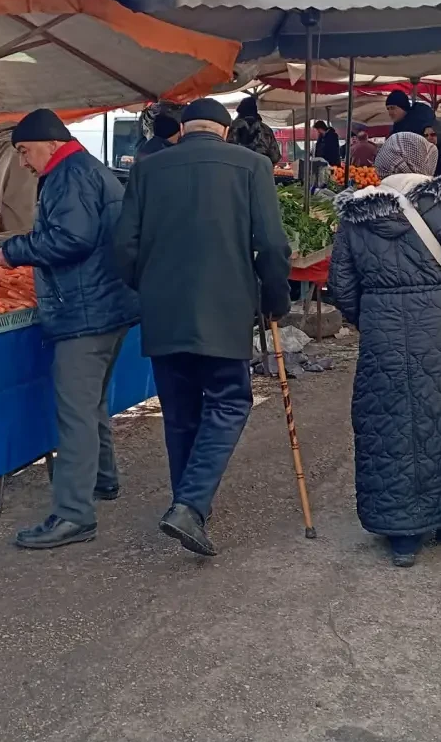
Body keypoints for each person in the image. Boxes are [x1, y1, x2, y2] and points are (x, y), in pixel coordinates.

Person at [115, 97, 290, 557]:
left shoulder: (148, 168)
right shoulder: (253, 166)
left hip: (164, 309)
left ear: (183, 129)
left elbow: (124, 246)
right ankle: (190, 506)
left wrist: (149, 286)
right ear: (225, 131)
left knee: (180, 411)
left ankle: (188, 505)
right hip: (225, 307)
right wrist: (275, 300)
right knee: (230, 400)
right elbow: (273, 245)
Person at [328, 132, 441, 567]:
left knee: (385, 425)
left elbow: (342, 287)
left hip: (382, 333)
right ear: (428, 164)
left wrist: (371, 318)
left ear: (383, 166)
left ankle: (401, 536)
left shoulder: (355, 214)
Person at [0, 109, 140, 551]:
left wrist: (15, 250)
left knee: (75, 411)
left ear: (51, 144)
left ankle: (74, 514)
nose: (23, 162)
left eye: (25, 152)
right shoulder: (88, 168)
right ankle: (102, 479)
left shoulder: (68, 175)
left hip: (85, 310)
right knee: (91, 403)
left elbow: (72, 238)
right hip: (109, 304)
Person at [228, 93, 283, 166]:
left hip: (236, 169)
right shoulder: (266, 129)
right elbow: (275, 157)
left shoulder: (232, 128)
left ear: (239, 111)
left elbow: (225, 153)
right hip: (259, 169)